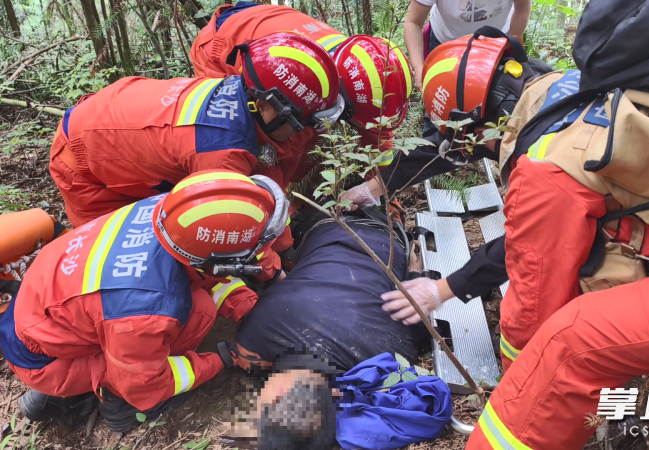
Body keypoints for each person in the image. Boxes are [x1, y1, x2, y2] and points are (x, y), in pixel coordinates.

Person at [399, 19, 649, 450]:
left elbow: (532, 305)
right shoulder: (586, 94)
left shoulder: (546, 163)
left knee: (571, 343)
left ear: (476, 128)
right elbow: (530, 241)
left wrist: (518, 380)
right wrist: (447, 288)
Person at [0, 170, 288, 432]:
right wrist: (222, 359)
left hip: (43, 306)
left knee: (192, 302)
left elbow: (204, 272)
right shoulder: (144, 312)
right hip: (44, 358)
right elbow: (144, 382)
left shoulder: (173, 212)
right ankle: (117, 404)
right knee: (198, 314)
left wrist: (247, 309)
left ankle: (82, 378)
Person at [50, 32, 342, 239]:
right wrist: (272, 270)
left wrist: (284, 236)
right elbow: (225, 227)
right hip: (84, 159)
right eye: (299, 123)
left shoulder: (243, 99)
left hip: (116, 117)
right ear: (266, 105)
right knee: (124, 247)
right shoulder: (222, 152)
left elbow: (271, 171)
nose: (301, 133)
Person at [218, 203, 433, 448]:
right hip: (324, 225)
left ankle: (389, 206)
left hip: (381, 235)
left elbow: (420, 313)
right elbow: (247, 357)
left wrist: (415, 272)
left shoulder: (390, 357)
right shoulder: (257, 332)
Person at [378, 28, 551, 324]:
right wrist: (377, 184)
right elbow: (451, 151)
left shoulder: (542, 158)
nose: (473, 149)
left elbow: (529, 242)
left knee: (527, 311)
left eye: (472, 137)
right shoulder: (538, 90)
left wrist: (442, 289)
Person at [190, 2, 413, 171]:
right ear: (340, 103)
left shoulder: (357, 62)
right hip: (223, 44)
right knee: (242, 136)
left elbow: (377, 131)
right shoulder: (299, 84)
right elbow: (288, 147)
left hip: (266, 19)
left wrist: (381, 191)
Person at [404, 0, 532, 92]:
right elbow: (413, 22)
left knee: (490, 98)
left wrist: (511, 47)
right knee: (440, 97)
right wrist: (419, 68)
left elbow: (522, 8)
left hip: (494, 45)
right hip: (446, 45)